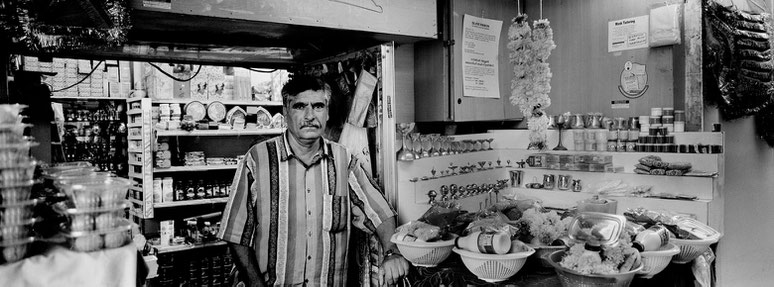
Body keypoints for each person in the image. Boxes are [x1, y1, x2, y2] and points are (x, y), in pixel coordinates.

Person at [218, 75, 409, 287]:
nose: (310, 115)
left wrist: (392, 252)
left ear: (327, 112)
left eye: (318, 106)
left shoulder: (343, 160)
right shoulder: (257, 159)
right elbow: (236, 234)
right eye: (300, 106)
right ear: (285, 112)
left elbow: (380, 212)